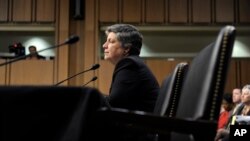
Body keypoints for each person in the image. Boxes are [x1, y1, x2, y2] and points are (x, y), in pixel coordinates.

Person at [102, 24, 160, 141]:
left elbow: (114, 103)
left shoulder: (130, 64)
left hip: (138, 134)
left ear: (126, 49)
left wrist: (89, 99)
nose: (104, 46)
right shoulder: (134, 63)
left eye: (111, 41)